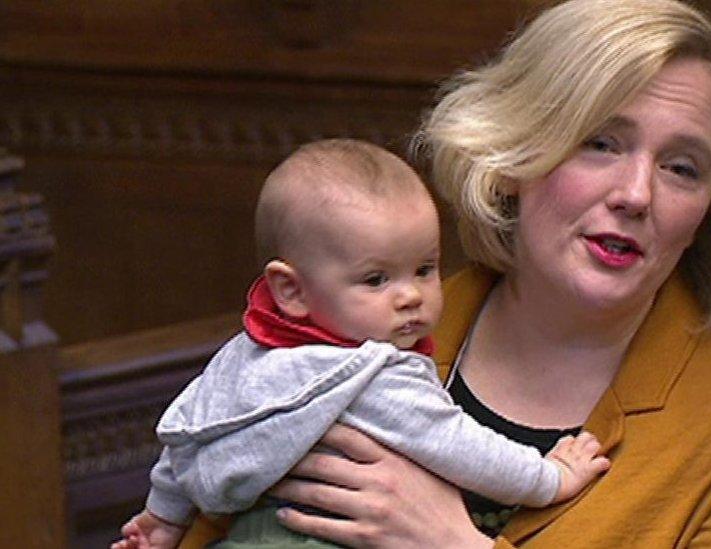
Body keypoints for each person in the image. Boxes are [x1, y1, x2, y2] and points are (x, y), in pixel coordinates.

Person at [179, 0, 711, 547]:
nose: (637, 194)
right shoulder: (346, 334)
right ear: (515, 153)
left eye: (682, 167)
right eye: (601, 141)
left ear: (707, 210)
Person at [112, 139, 610, 549]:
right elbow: (462, 447)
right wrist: (551, 479)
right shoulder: (373, 375)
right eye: (376, 279)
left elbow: (191, 434)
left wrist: (164, 516)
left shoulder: (249, 355)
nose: (410, 296)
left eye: (424, 269)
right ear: (292, 290)